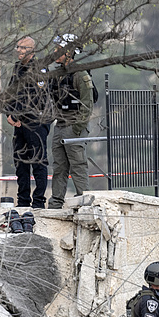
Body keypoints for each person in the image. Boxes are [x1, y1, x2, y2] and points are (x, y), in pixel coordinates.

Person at [47, 33, 94, 209]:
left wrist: (77, 128)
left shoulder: (80, 74)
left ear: (69, 52)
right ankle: (56, 202)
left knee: (78, 166)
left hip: (73, 126)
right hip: (60, 125)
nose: (55, 52)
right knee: (59, 167)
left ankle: (85, 202)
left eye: (59, 49)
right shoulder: (58, 74)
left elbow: (87, 104)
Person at [5, 36, 50, 208]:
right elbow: (10, 93)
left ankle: (38, 201)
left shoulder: (39, 69)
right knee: (20, 162)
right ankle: (23, 200)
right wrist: (9, 114)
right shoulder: (18, 68)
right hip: (19, 124)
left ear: (32, 50)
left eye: (23, 48)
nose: (19, 50)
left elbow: (35, 97)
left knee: (38, 161)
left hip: (35, 121)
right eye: (18, 47)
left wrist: (17, 115)